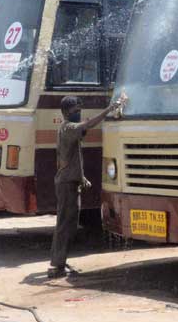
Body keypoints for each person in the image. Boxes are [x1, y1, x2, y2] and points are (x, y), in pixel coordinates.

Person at [48, 94, 124, 279]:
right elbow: (86, 125)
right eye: (76, 111)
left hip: (71, 182)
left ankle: (59, 261)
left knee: (68, 224)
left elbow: (71, 158)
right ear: (66, 112)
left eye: (80, 110)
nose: (78, 113)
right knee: (65, 225)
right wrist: (109, 109)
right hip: (66, 185)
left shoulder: (69, 130)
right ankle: (56, 265)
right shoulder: (68, 128)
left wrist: (82, 178)